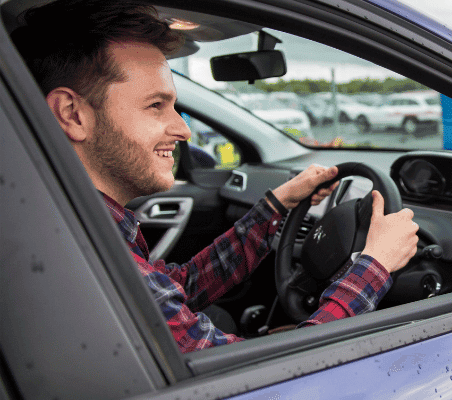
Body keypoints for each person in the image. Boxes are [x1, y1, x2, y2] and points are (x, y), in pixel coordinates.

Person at [11, 0, 419, 353]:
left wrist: (278, 204)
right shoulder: (87, 259)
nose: (183, 129)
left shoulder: (67, 224)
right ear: (72, 114)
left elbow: (179, 287)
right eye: (156, 105)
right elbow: (270, 379)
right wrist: (375, 265)